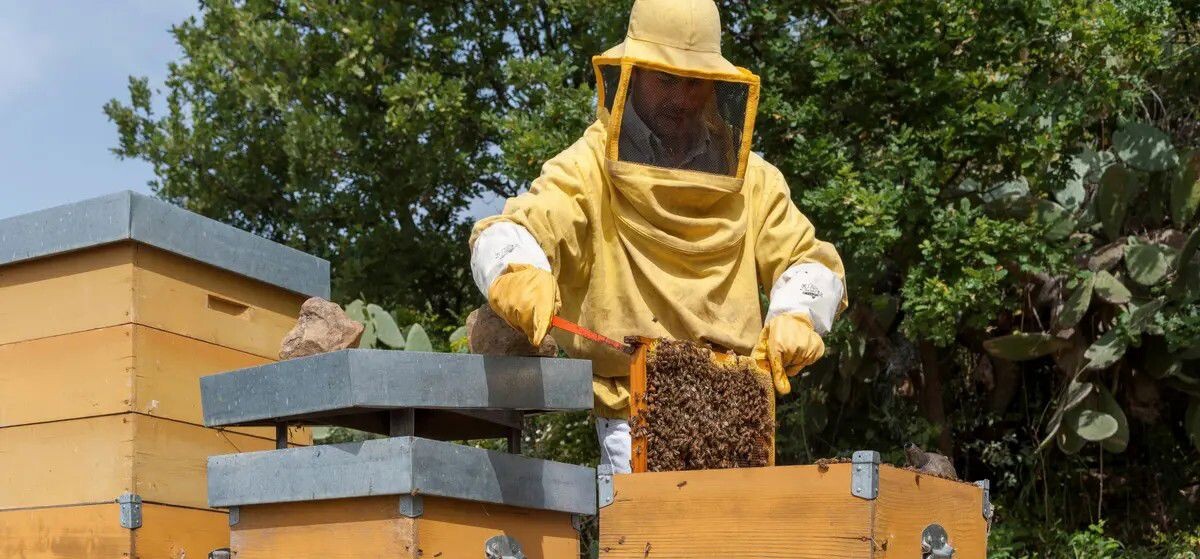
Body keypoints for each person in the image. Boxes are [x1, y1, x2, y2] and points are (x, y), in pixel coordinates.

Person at [470, 0, 846, 474]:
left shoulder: (755, 179)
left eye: (694, 82)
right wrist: (517, 269)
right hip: (635, 423)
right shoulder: (588, 168)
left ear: (715, 85)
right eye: (667, 80)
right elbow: (514, 228)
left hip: (740, 418)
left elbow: (808, 261)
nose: (683, 98)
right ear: (632, 75)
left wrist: (799, 313)